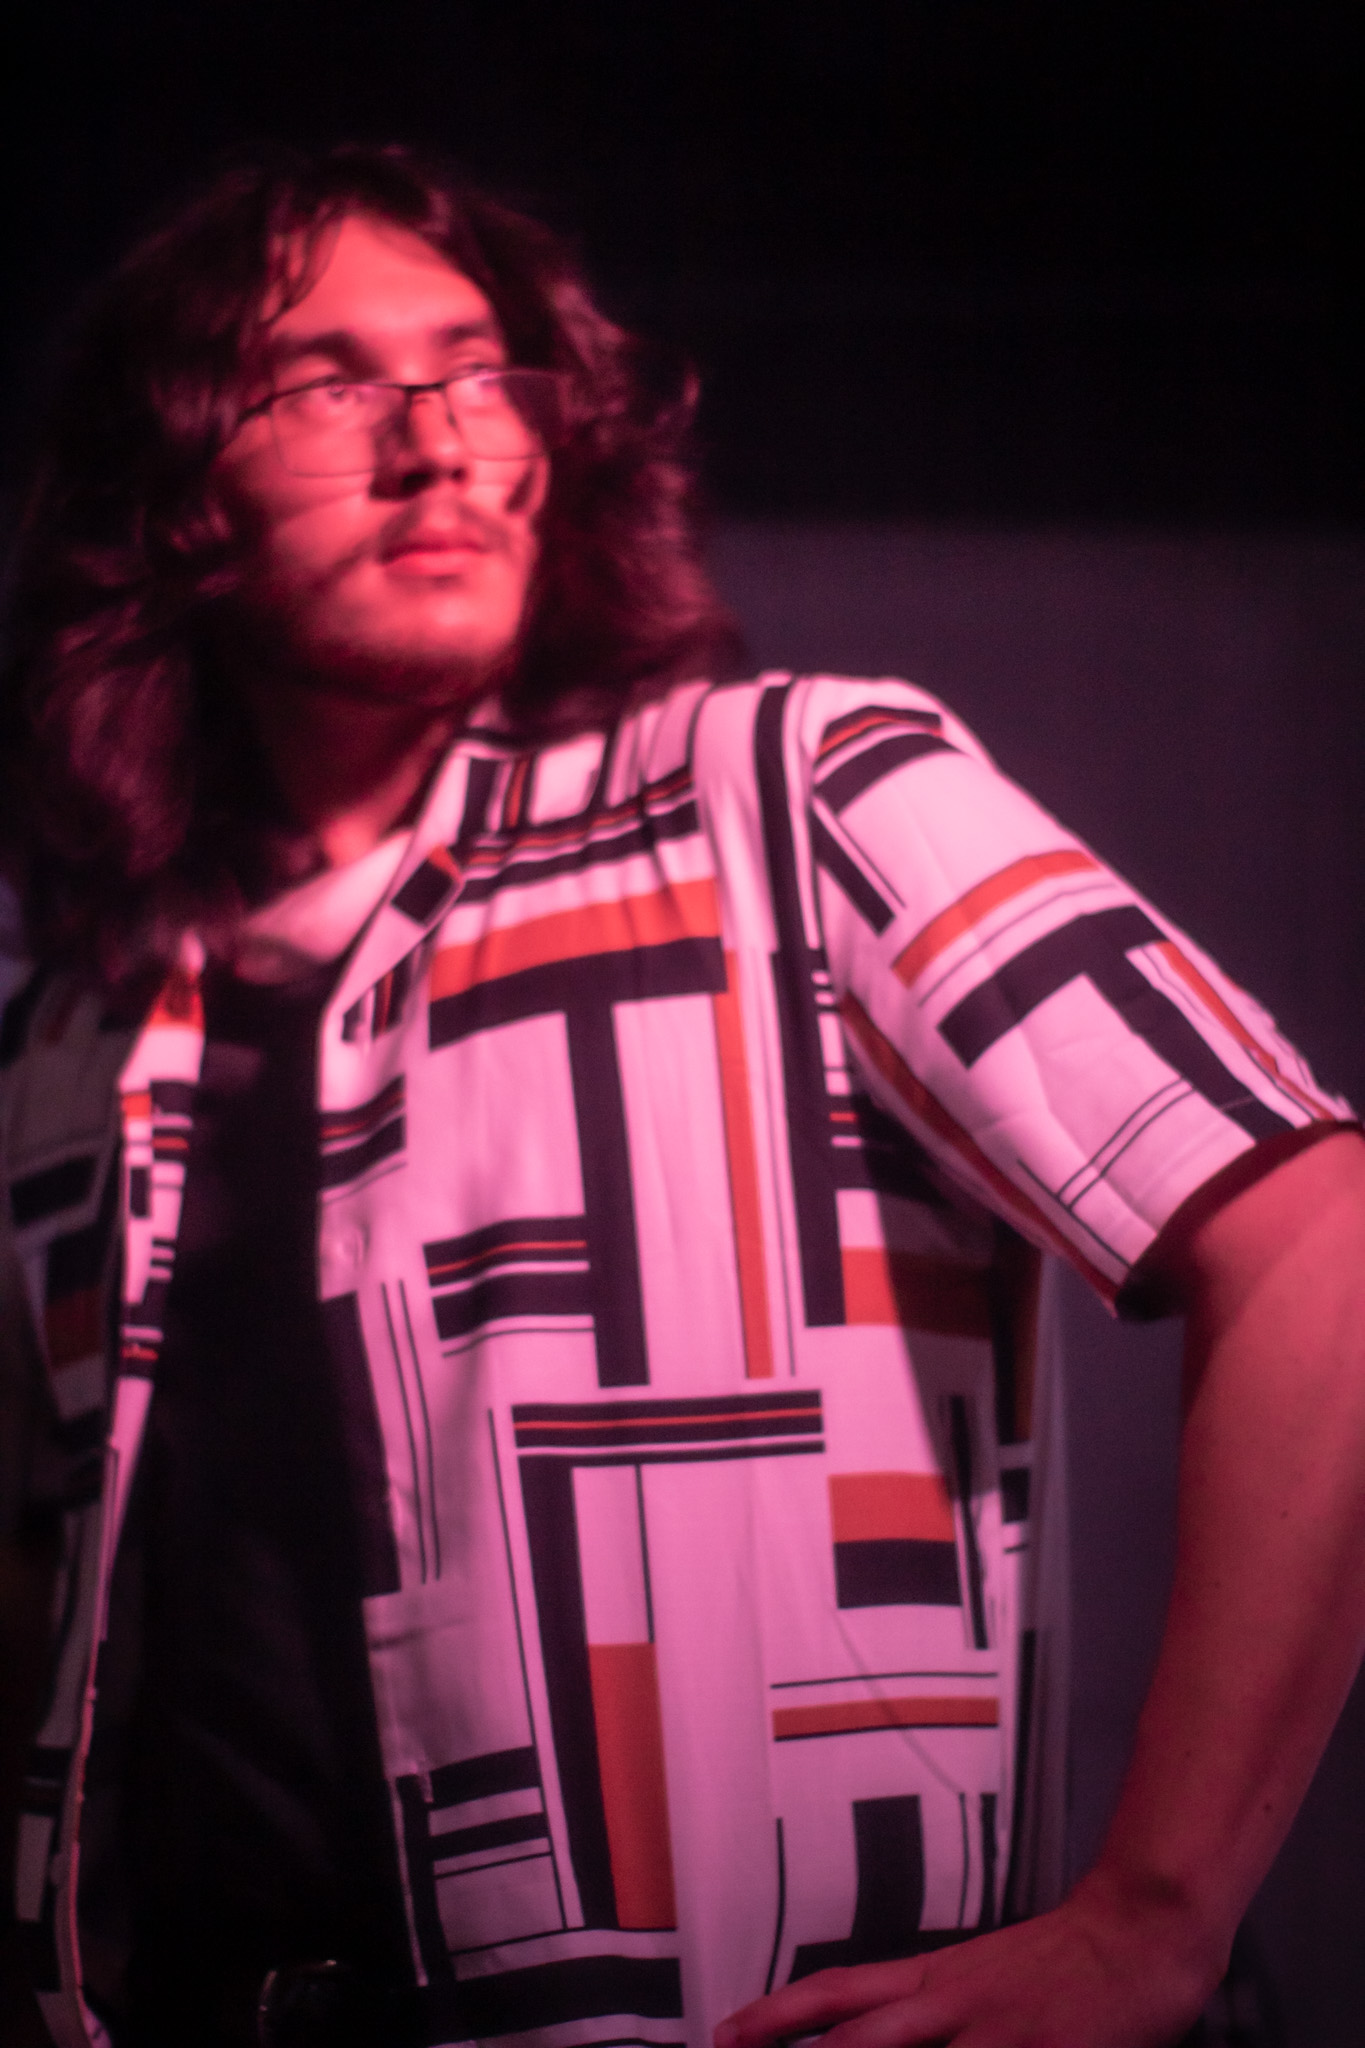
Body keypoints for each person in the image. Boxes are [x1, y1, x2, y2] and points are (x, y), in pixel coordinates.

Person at [1, 143, 1362, 2048]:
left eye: (480, 373)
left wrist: (1156, 1919)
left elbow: (1317, 1243)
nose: (436, 442)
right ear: (169, 501)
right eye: (324, 382)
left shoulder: (793, 794)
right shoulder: (70, 1043)